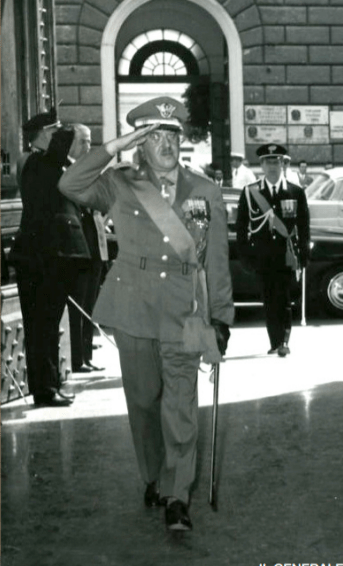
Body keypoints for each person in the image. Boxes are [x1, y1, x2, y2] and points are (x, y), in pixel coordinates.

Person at [59, 96, 234, 532]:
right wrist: (112, 147)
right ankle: (154, 474)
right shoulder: (119, 184)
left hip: (184, 310)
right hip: (134, 307)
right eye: (155, 136)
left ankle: (177, 496)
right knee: (142, 402)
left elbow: (216, 260)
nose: (166, 144)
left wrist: (221, 317)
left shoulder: (205, 190)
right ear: (141, 142)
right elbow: (70, 184)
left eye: (172, 135)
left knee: (180, 404)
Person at [10, 113, 77, 407]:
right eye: (53, 130)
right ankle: (46, 389)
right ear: (43, 134)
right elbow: (65, 139)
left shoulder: (38, 161)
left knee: (45, 326)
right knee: (43, 326)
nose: (58, 135)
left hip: (40, 256)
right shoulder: (37, 161)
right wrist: (63, 128)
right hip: (41, 257)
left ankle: (48, 385)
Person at [236, 143, 310, 357]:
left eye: (276, 162)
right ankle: (275, 341)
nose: (272, 166)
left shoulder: (295, 192)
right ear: (261, 165)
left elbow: (303, 226)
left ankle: (284, 341)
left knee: (285, 299)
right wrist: (245, 256)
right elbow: (241, 227)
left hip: (286, 255)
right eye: (268, 162)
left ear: (282, 164)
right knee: (269, 300)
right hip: (263, 256)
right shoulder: (250, 193)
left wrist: (304, 254)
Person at [64, 123, 109, 374]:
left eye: (90, 141)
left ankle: (86, 353)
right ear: (70, 143)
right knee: (79, 303)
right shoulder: (68, 171)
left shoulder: (88, 170)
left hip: (95, 243)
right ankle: (77, 357)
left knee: (90, 302)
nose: (88, 146)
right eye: (83, 141)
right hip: (81, 245)